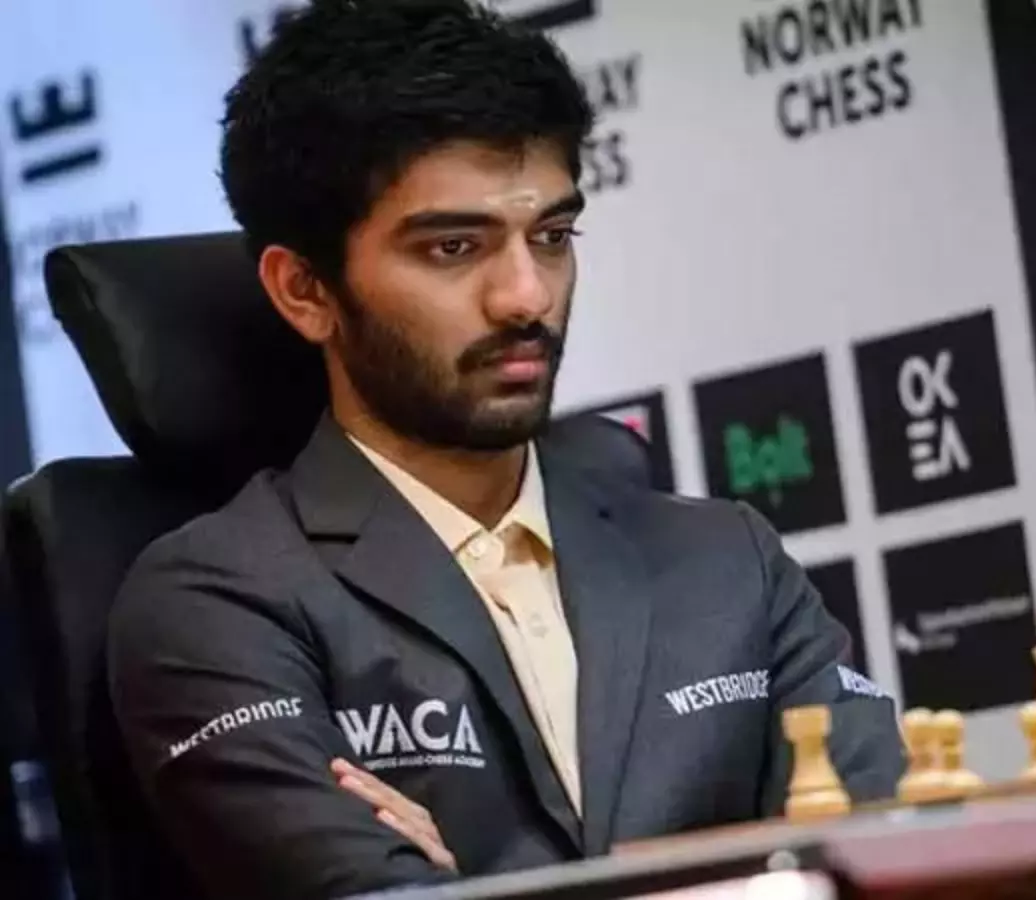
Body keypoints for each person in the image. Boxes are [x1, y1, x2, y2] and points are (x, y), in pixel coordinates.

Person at [105, 2, 907, 898]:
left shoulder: (730, 562)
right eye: (454, 247)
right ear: (305, 291)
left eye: (552, 237)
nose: (527, 296)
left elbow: (890, 864)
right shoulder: (216, 604)